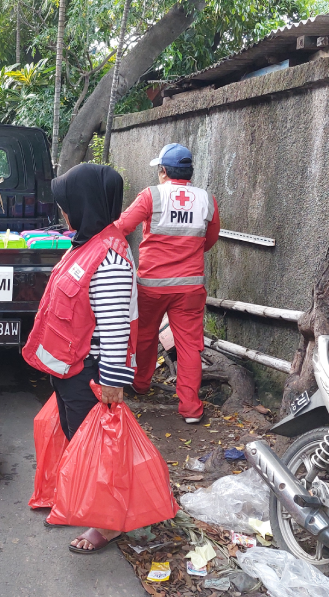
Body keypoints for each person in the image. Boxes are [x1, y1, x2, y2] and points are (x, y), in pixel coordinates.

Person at [23, 163, 137, 553]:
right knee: (79, 442)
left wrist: (111, 383)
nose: (63, 212)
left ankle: (104, 524)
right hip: (72, 368)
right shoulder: (87, 244)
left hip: (91, 372)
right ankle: (83, 501)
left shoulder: (110, 259)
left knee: (98, 449)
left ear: (84, 203)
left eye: (67, 203)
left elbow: (116, 329)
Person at [114, 143, 220, 424]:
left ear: (163, 171)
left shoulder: (151, 196)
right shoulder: (207, 199)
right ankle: (191, 409)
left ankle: (141, 384)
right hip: (190, 288)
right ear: (190, 173)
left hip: (152, 285)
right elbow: (209, 241)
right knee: (189, 346)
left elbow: (122, 227)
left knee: (145, 336)